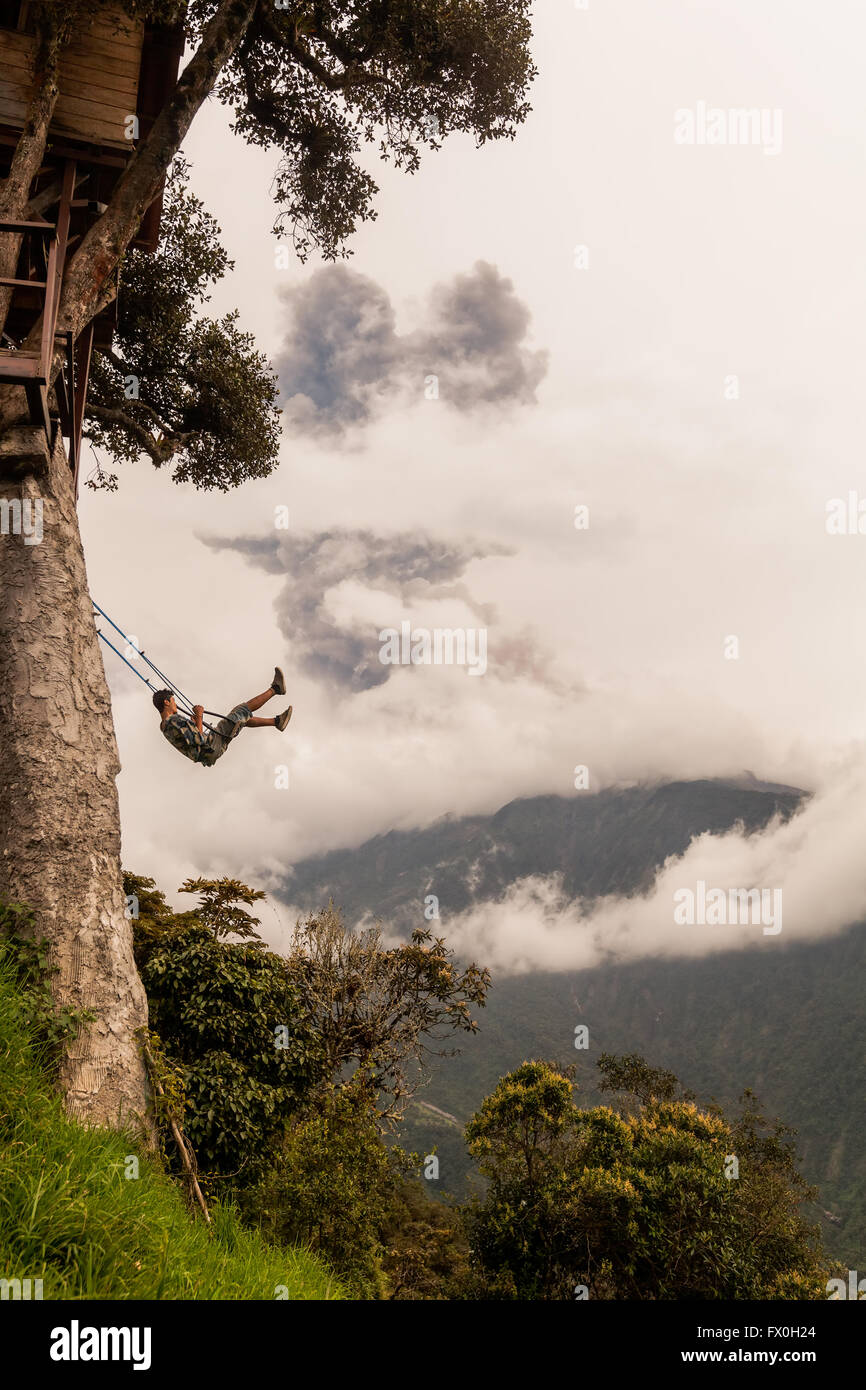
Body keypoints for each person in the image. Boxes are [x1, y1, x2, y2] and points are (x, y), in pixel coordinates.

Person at [153, 667, 291, 768]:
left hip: (209, 753)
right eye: (173, 701)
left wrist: (195, 723)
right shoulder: (173, 720)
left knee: (239, 720)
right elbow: (199, 739)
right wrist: (199, 716)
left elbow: (192, 739)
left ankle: (277, 721)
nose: (175, 704)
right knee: (241, 710)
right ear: (166, 702)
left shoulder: (165, 727)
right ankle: (276, 689)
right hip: (211, 745)